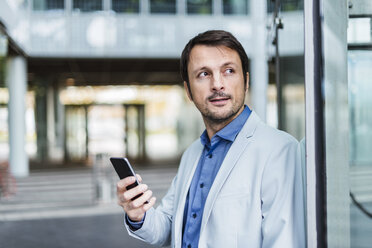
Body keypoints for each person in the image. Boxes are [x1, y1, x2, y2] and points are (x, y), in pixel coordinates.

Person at [116, 30, 305, 248]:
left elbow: (284, 242)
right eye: (204, 74)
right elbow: (169, 226)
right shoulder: (192, 153)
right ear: (188, 90)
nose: (217, 84)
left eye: (229, 71)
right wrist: (138, 215)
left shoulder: (279, 150)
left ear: (246, 81)